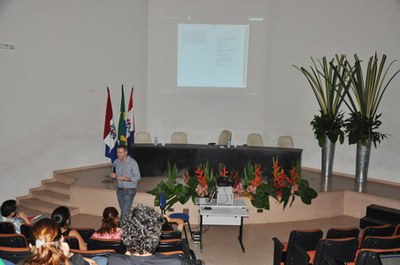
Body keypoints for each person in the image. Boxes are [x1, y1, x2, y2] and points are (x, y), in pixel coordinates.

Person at [107, 204, 182, 265]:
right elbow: (181, 223)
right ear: (157, 236)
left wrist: (128, 250)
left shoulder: (114, 260)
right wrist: (171, 220)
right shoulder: (174, 262)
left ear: (125, 236)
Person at [18, 218, 97, 265]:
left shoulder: (22, 263)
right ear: (62, 239)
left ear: (30, 246)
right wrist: (68, 256)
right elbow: (94, 263)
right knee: (99, 259)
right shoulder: (76, 261)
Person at [111, 145, 141, 222]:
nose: (118, 154)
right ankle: (130, 226)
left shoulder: (132, 163)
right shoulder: (116, 162)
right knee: (125, 212)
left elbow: (137, 177)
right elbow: (113, 172)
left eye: (120, 152)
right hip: (119, 190)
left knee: (124, 214)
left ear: (126, 153)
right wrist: (113, 175)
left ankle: (121, 232)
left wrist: (126, 179)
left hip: (129, 191)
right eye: (117, 152)